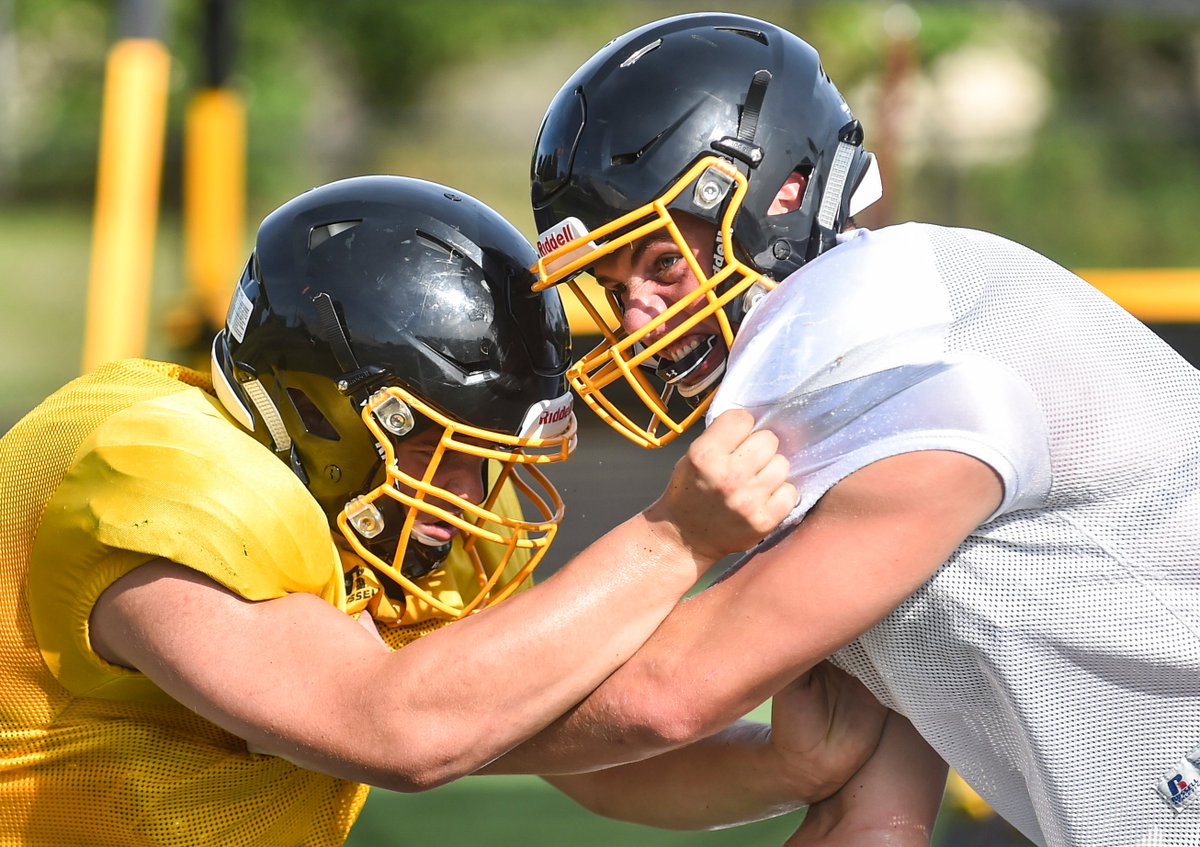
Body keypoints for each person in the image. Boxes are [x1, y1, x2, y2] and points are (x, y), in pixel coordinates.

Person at [0, 174, 881, 847]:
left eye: (487, 460)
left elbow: (569, 735)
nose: (464, 499)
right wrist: (676, 537)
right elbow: (393, 728)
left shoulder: (367, 517)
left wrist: (782, 763)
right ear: (323, 409)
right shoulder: (160, 476)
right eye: (441, 450)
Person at [521, 12, 1200, 847]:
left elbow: (668, 695)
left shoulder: (894, 367)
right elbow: (872, 819)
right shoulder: (829, 386)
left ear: (787, 194)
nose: (635, 322)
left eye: (662, 264)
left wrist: (414, 723)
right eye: (613, 283)